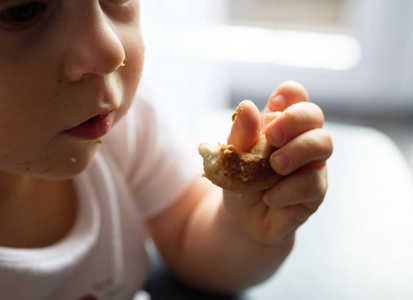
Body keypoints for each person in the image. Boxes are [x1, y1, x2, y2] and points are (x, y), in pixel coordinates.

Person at [0, 1, 333, 299]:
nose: (110, 51)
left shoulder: (122, 130)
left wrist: (245, 228)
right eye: (23, 12)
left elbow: (189, 237)